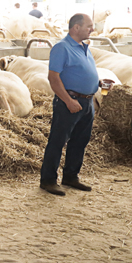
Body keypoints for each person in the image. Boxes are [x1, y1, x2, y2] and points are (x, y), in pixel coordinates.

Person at [40, 13, 99, 196]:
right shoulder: (62, 48)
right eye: (89, 26)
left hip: (87, 102)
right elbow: (53, 78)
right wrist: (68, 100)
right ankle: (48, 180)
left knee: (80, 141)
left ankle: (71, 177)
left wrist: (97, 82)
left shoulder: (84, 47)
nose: (92, 29)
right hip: (70, 101)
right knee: (58, 141)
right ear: (76, 28)